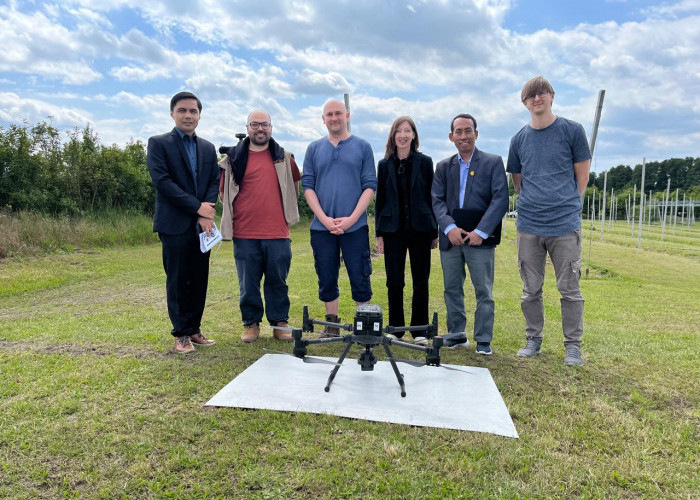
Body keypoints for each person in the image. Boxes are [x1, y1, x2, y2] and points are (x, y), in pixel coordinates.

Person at [506, 76, 591, 366]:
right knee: (531, 288)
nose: (537, 98)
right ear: (525, 102)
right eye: (531, 95)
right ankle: (533, 339)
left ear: (552, 96)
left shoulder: (572, 131)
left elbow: (583, 176)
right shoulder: (518, 139)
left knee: (569, 289)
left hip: (565, 226)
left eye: (542, 93)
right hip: (529, 225)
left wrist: (568, 207)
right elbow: (519, 183)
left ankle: (573, 346)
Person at [147, 91, 220, 353]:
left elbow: (214, 180)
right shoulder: (158, 143)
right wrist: (197, 207)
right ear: (172, 113)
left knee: (199, 278)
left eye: (193, 111)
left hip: (202, 226)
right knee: (178, 279)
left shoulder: (207, 148)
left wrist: (206, 212)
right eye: (182, 110)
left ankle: (194, 328)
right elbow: (163, 183)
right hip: (174, 224)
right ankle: (180, 334)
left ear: (199, 115)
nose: (188, 115)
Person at [219, 110, 301, 343]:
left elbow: (294, 187)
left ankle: (279, 323)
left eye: (264, 124)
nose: (260, 129)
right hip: (244, 233)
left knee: (278, 281)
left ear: (271, 128)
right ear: (247, 128)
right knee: (248, 283)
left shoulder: (284, 157)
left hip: (277, 232)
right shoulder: (233, 158)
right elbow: (223, 193)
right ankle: (251, 324)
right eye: (255, 124)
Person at [432, 114, 508, 355]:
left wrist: (482, 231)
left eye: (468, 130)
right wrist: (449, 228)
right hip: (451, 240)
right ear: (451, 136)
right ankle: (456, 335)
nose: (463, 136)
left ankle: (483, 340)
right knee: (452, 288)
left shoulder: (493, 162)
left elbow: (500, 199)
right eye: (458, 131)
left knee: (483, 291)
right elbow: (436, 200)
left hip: (480, 241)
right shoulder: (443, 167)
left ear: (476, 133)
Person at [301, 99, 377, 336]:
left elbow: (370, 186)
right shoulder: (314, 149)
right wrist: (323, 218)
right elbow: (308, 186)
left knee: (360, 274)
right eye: (329, 114)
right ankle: (332, 325)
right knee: (326, 275)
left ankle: (363, 326)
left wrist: (352, 219)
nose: (334, 118)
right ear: (323, 119)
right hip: (322, 228)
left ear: (347, 116)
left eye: (338, 113)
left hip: (355, 227)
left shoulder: (363, 147)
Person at [375, 116, 438, 345]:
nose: (403, 135)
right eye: (398, 131)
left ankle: (420, 330)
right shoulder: (384, 165)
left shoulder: (425, 162)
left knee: (421, 279)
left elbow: (432, 197)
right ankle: (396, 328)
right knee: (394, 280)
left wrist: (434, 231)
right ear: (393, 136)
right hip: (393, 230)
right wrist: (379, 233)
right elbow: (380, 201)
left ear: (414, 135)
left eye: (407, 131)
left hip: (421, 228)